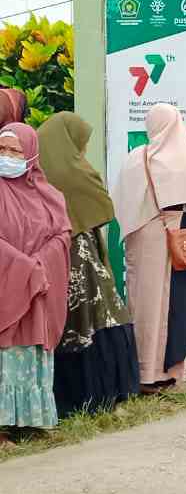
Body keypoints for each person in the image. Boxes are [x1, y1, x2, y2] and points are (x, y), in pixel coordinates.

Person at [38, 113, 140, 416]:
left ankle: (76, 396)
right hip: (79, 255)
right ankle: (101, 392)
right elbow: (102, 205)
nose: (82, 149)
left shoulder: (42, 170)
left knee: (76, 321)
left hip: (59, 256)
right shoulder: (74, 173)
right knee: (99, 315)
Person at [112, 104, 186, 393]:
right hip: (173, 239)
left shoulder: (135, 158)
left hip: (139, 238)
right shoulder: (182, 159)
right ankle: (166, 373)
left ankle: (141, 371)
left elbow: (122, 201)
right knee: (172, 305)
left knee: (142, 303)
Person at [0, 123, 70, 440]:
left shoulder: (49, 195)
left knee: (31, 350)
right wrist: (23, 266)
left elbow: (62, 234)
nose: (7, 157)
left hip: (39, 287)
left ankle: (29, 419)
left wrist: (42, 263)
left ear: (31, 155)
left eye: (15, 151)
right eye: (2, 150)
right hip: (8, 283)